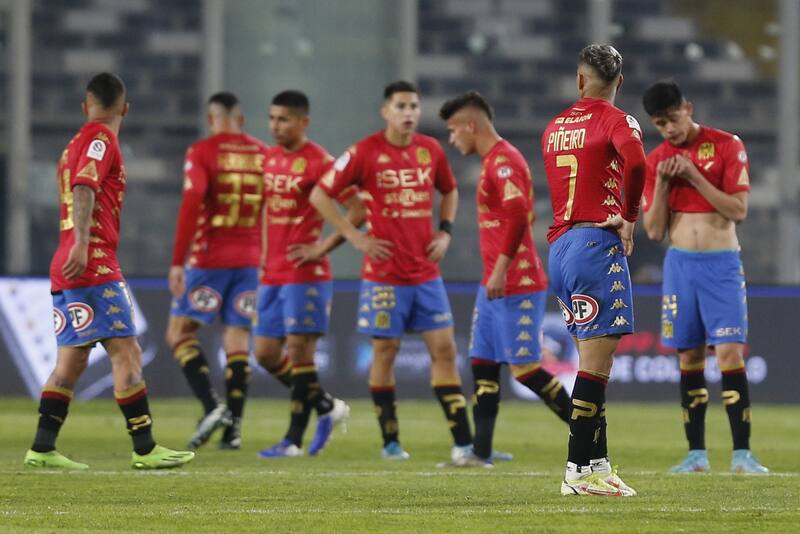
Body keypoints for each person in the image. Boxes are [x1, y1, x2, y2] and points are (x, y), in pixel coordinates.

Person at [24, 72, 194, 470]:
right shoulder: (101, 139)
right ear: (125, 108)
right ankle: (145, 447)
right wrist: (84, 242)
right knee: (127, 351)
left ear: (86, 106)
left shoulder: (73, 144)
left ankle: (42, 447)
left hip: (66, 264)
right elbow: (85, 187)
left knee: (72, 360)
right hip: (92, 262)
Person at [310, 81, 474, 463]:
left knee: (445, 350)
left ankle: (464, 443)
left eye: (414, 106)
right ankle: (391, 442)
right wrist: (354, 236)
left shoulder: (430, 150)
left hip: (425, 273)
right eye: (401, 106)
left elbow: (449, 190)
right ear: (386, 112)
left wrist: (445, 232)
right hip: (383, 275)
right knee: (385, 351)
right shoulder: (364, 152)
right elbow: (320, 194)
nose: (409, 112)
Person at [641, 80, 768, 474]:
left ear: (689, 108)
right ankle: (696, 454)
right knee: (689, 356)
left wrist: (695, 176)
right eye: (660, 124)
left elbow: (738, 210)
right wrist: (663, 184)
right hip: (680, 267)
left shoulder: (727, 145)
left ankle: (742, 454)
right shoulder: (656, 161)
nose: (669, 129)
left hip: (721, 264)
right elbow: (654, 231)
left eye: (673, 119)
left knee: (729, 353)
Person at [438, 91, 571, 467]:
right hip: (493, 285)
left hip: (517, 282)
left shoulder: (505, 160)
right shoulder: (492, 162)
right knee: (482, 362)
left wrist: (499, 267)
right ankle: (480, 452)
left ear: (470, 126)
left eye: (453, 130)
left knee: (526, 370)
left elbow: (517, 214)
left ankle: (589, 430)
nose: (452, 139)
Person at [540, 45, 645, 496]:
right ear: (619, 81)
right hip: (595, 243)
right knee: (597, 365)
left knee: (590, 360)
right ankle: (577, 471)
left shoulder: (554, 127)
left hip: (561, 247)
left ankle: (598, 464)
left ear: (580, 80)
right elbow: (637, 162)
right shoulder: (618, 121)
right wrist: (630, 216)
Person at [254, 90, 361, 458]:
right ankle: (326, 405)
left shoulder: (320, 162)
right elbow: (268, 211)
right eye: (272, 118)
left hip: (305, 273)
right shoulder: (269, 159)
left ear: (304, 122)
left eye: (283, 119)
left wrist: (322, 247)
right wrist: (264, 255)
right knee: (266, 353)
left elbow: (358, 209)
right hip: (272, 273)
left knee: (300, 353)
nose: (275, 126)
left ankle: (293, 440)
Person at [167, 92, 269, 450]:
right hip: (251, 260)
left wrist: (177, 261)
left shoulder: (202, 152)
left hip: (209, 259)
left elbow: (192, 201)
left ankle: (213, 406)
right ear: (241, 120)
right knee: (237, 339)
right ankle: (234, 430)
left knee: (179, 333)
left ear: (212, 120)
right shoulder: (263, 154)